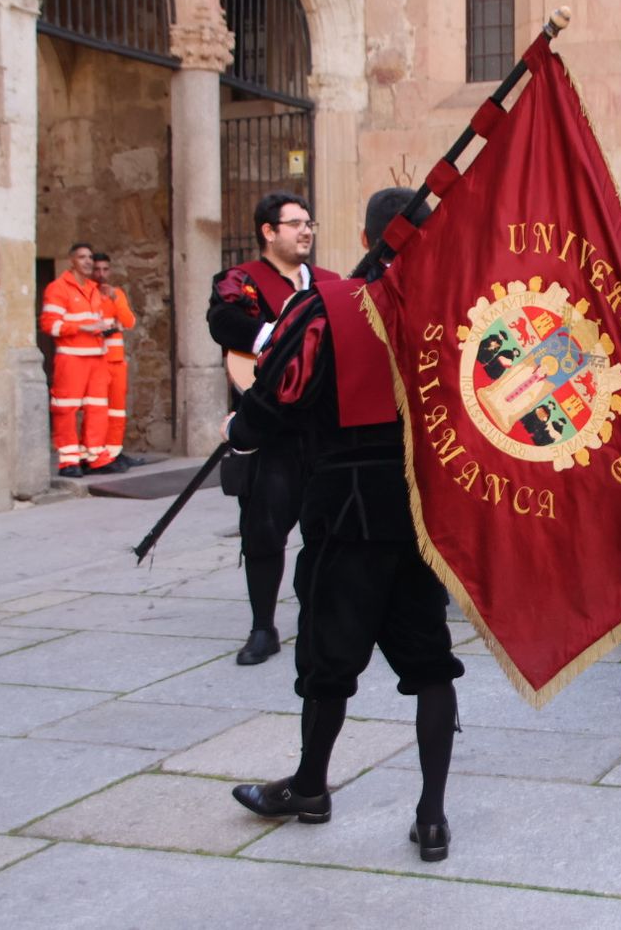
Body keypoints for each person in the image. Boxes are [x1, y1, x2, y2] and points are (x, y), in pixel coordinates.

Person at [228, 186, 463, 862]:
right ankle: (432, 815)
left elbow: (278, 393)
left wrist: (243, 429)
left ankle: (310, 787)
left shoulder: (323, 308)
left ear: (366, 239)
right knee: (430, 663)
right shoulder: (451, 312)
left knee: (327, 660)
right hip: (418, 510)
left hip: (346, 506)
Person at [208, 192, 341, 666]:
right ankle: (263, 627)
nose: (306, 231)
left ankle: (322, 619)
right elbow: (224, 321)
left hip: (324, 429)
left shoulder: (330, 284)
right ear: (268, 231)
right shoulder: (240, 281)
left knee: (330, 528)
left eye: (309, 223)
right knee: (263, 529)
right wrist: (281, 339)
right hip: (271, 430)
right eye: (295, 223)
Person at [39, 243, 116, 477]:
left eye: (90, 257)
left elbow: (95, 320)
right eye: (82, 257)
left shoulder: (94, 289)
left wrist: (104, 327)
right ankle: (69, 461)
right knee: (66, 409)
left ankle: (95, 458)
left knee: (97, 409)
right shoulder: (57, 288)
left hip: (96, 357)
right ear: (71, 260)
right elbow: (49, 325)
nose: (88, 261)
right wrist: (83, 327)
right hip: (71, 358)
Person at [90, 252, 139, 470]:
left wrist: (115, 299)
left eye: (105, 269)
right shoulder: (88, 294)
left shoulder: (116, 293)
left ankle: (114, 452)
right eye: (97, 269)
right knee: (98, 411)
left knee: (118, 410)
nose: (101, 274)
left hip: (117, 361)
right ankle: (98, 455)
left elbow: (128, 321)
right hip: (97, 360)